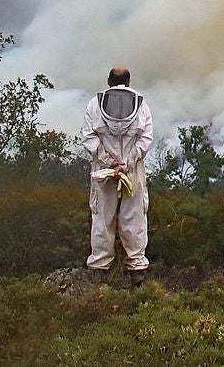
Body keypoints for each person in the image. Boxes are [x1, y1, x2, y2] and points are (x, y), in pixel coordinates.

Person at [80, 67, 154, 285]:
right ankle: (136, 269)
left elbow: (88, 137)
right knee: (135, 217)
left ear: (108, 81)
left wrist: (109, 162)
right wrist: (127, 163)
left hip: (103, 172)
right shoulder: (142, 105)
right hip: (133, 172)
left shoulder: (95, 104)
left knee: (102, 217)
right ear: (128, 81)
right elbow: (146, 139)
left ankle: (100, 269)